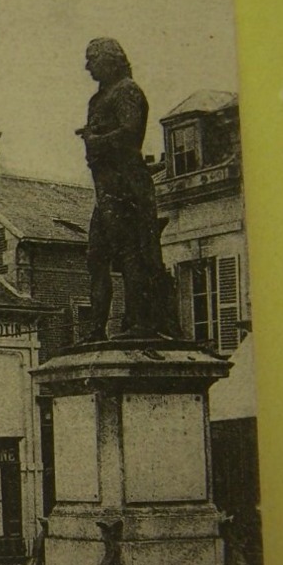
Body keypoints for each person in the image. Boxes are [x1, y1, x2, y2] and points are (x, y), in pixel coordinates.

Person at [76, 37, 179, 341]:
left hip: (127, 186)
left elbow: (131, 133)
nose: (88, 66)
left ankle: (141, 322)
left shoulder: (127, 91)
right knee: (96, 256)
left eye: (92, 59)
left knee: (130, 252)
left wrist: (96, 141)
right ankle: (96, 328)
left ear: (111, 59)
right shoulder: (97, 100)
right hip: (105, 188)